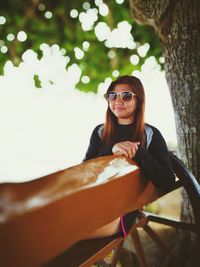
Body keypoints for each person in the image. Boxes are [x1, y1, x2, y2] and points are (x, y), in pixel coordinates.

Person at [83, 75, 175, 239]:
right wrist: (112, 149)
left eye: (125, 96)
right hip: (92, 201)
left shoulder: (150, 134)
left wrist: (138, 153)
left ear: (138, 100)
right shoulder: (100, 132)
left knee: (64, 237)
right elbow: (85, 170)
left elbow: (167, 181)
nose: (117, 101)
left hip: (121, 211)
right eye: (112, 95)